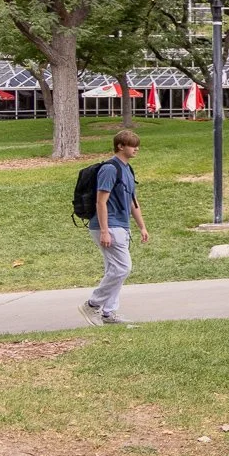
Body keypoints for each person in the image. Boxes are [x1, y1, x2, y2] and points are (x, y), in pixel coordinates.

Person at [79, 129, 149, 325]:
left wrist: (142, 227)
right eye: (132, 145)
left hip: (121, 225)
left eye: (137, 145)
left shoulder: (127, 169)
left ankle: (109, 313)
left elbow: (132, 201)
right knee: (123, 268)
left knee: (115, 268)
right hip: (108, 225)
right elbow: (101, 202)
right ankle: (92, 305)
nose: (136, 149)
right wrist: (104, 230)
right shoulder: (110, 169)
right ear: (120, 146)